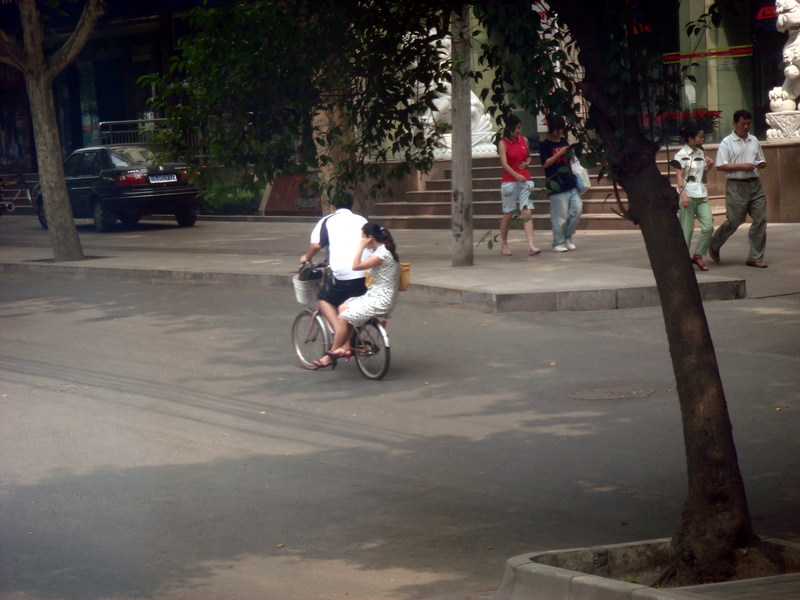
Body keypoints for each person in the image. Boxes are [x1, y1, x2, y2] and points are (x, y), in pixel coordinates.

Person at [313, 222, 400, 369]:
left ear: (369, 238)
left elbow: (355, 266)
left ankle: (332, 354)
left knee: (342, 318)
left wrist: (360, 247)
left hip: (380, 299)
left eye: (362, 238)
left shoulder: (381, 254)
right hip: (376, 295)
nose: (361, 240)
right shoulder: (382, 250)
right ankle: (346, 345)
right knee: (343, 306)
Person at [299, 190, 368, 333]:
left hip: (344, 277)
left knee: (323, 299)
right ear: (351, 205)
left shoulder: (327, 221)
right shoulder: (362, 220)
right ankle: (353, 337)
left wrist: (306, 257)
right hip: (366, 276)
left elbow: (317, 245)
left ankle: (340, 335)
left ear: (333, 206)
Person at [709, 110, 769, 268]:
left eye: (748, 123)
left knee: (760, 219)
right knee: (735, 220)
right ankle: (714, 243)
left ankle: (755, 257)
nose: (746, 127)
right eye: (743, 123)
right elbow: (720, 165)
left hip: (755, 184)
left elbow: (760, 158)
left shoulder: (754, 139)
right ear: (735, 123)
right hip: (736, 185)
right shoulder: (727, 142)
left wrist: (761, 163)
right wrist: (742, 166)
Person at [498, 115, 540, 257]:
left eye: (519, 127)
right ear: (508, 128)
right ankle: (504, 243)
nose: (518, 131)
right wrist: (516, 175)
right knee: (509, 213)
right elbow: (504, 164)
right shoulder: (503, 143)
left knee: (527, 211)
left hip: (525, 180)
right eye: (515, 128)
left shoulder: (524, 140)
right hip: (510, 181)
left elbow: (528, 156)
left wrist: (527, 163)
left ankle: (530, 245)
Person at [674, 123, 715, 271]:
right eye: (700, 137)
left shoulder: (700, 153)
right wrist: (683, 195)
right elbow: (679, 176)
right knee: (687, 229)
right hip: (688, 195)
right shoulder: (680, 155)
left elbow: (701, 173)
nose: (703, 139)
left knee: (709, 226)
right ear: (691, 139)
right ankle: (682, 260)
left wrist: (709, 165)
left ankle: (698, 254)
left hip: (701, 193)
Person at [539, 114, 582, 252]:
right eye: (558, 129)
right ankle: (558, 242)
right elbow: (545, 164)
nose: (560, 132)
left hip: (570, 182)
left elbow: (571, 158)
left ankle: (568, 236)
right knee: (560, 216)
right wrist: (559, 154)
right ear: (552, 129)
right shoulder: (545, 145)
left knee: (577, 209)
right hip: (556, 184)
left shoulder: (564, 140)